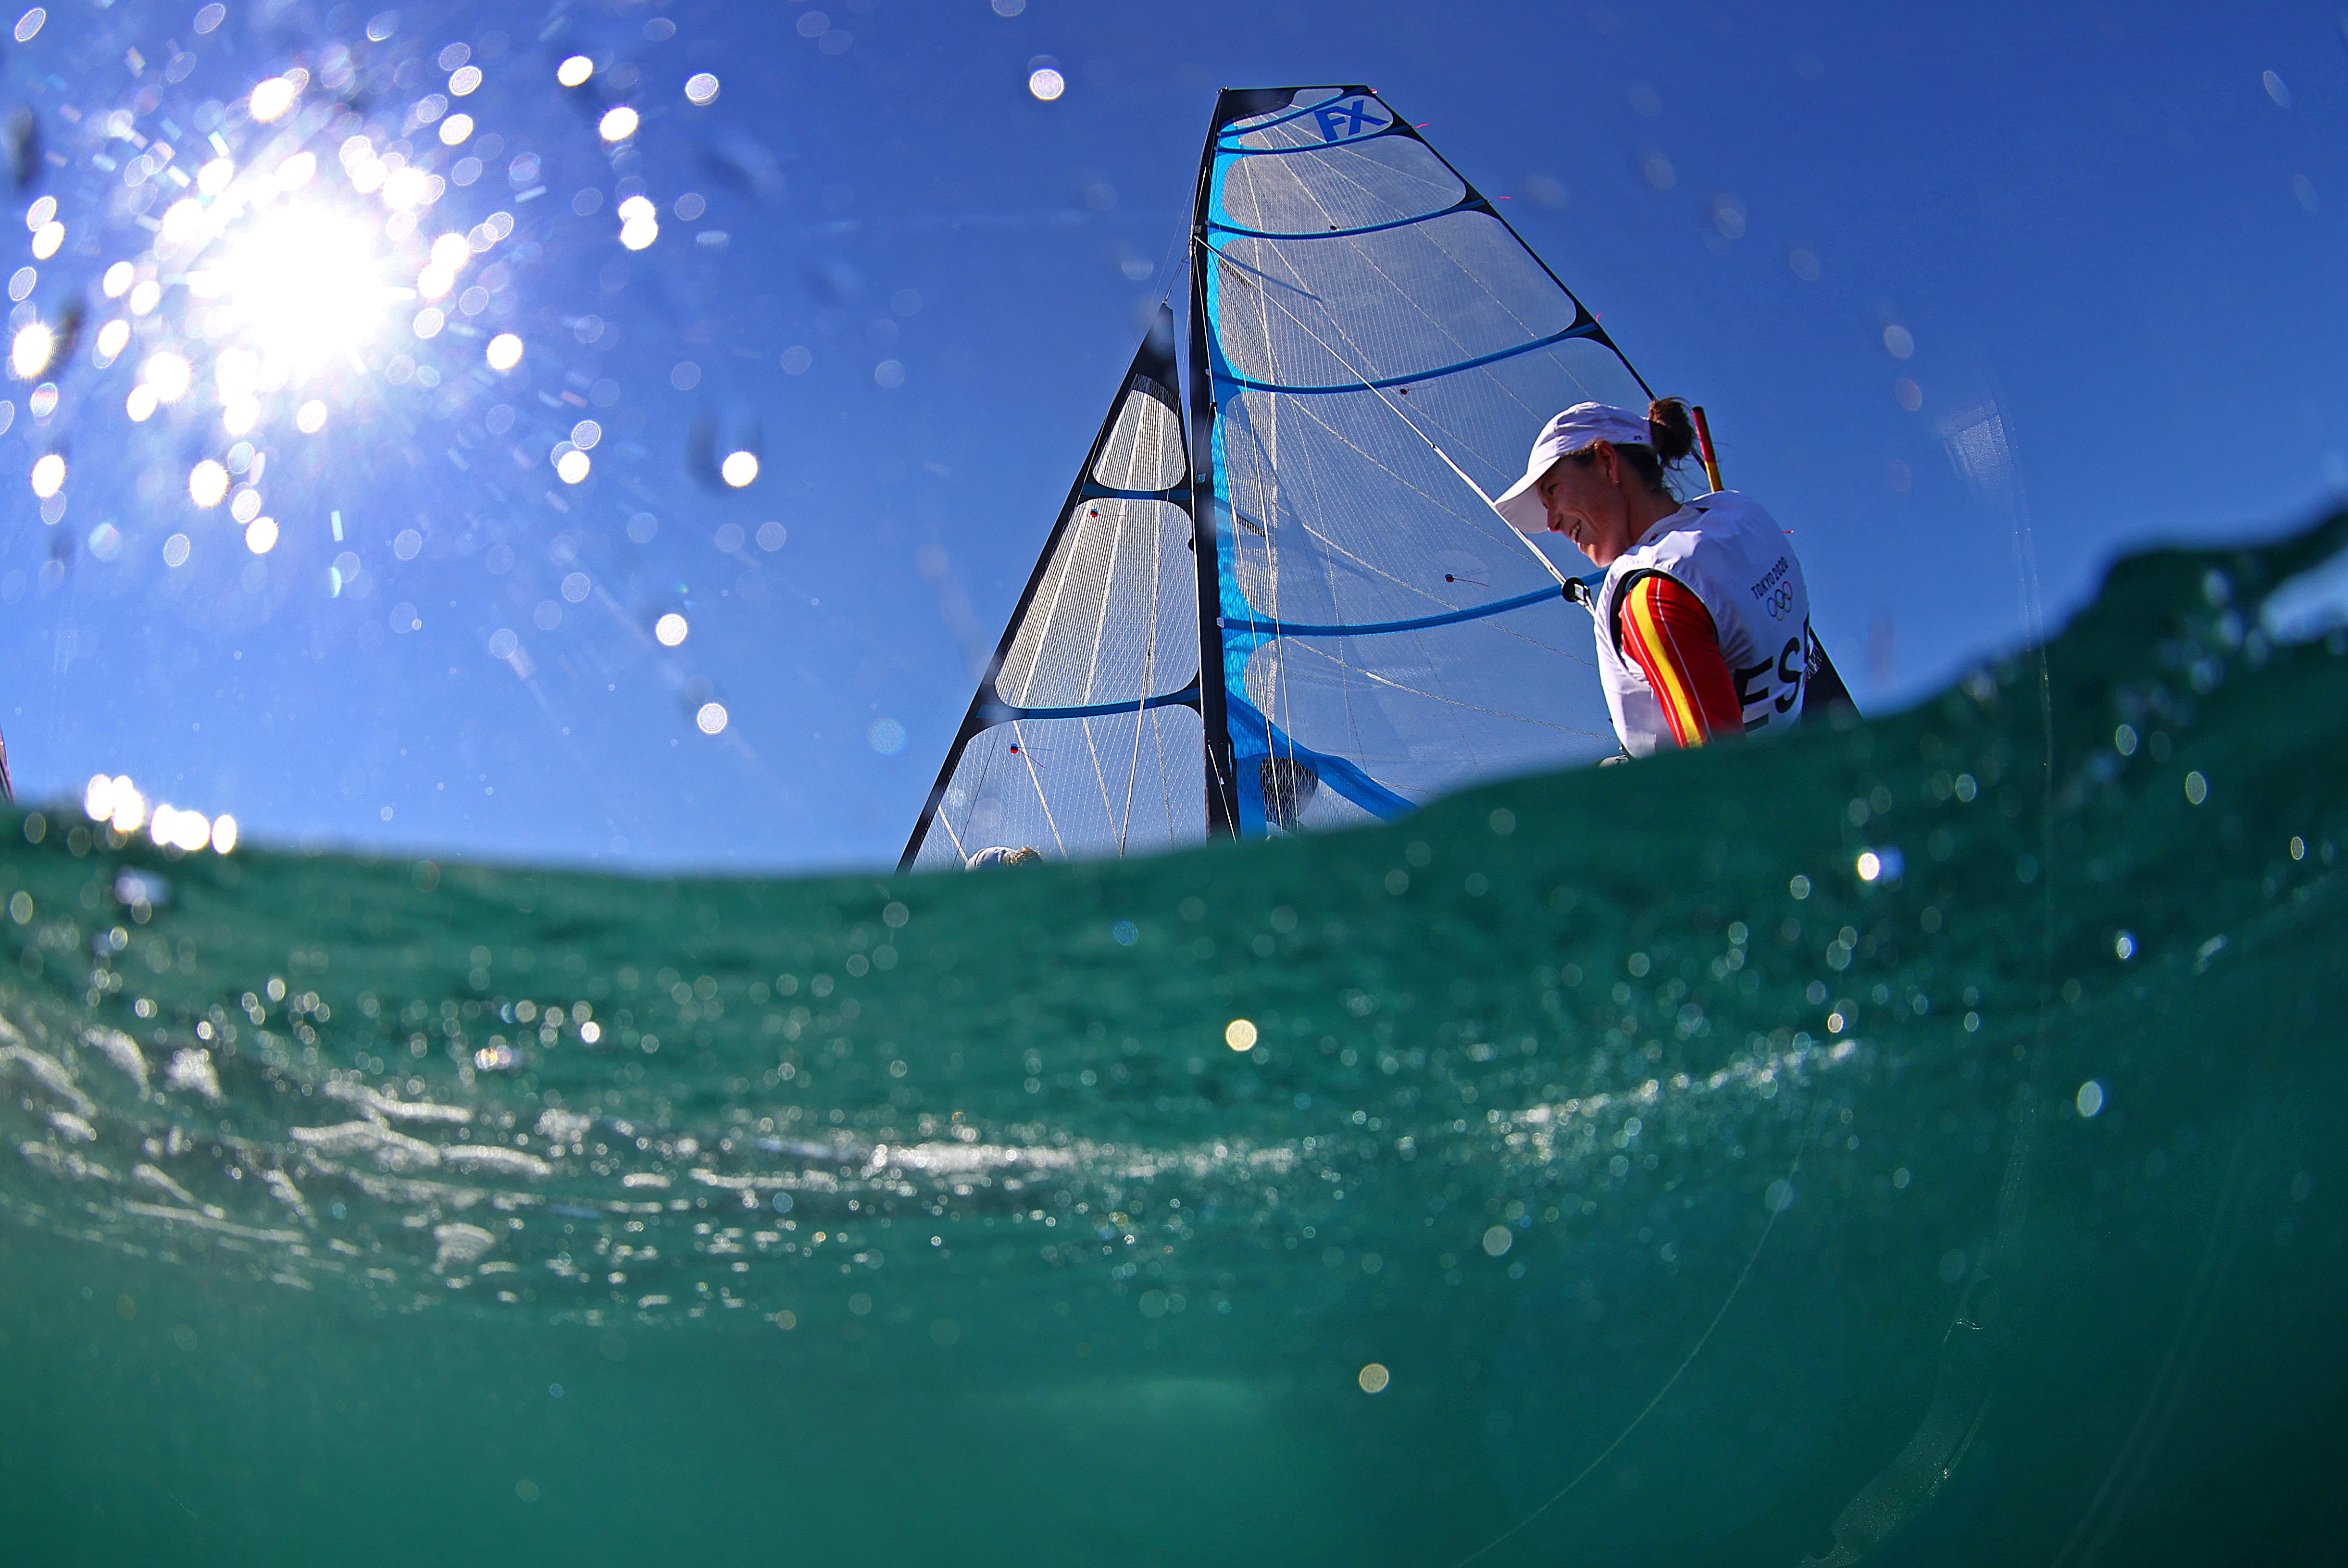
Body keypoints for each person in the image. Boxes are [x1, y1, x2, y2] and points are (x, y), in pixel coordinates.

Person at [1493, 398, 1851, 757]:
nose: (1553, 523)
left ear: (1606, 463)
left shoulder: (1654, 597)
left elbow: (1720, 779)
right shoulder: (1744, 516)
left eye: (1553, 491)